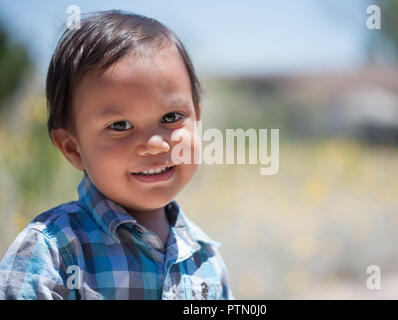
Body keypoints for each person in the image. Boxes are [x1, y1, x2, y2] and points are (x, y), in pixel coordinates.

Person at [0, 10, 233, 300]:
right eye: (120, 126)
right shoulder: (53, 251)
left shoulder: (205, 257)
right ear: (74, 148)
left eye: (172, 117)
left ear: (196, 120)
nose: (155, 144)